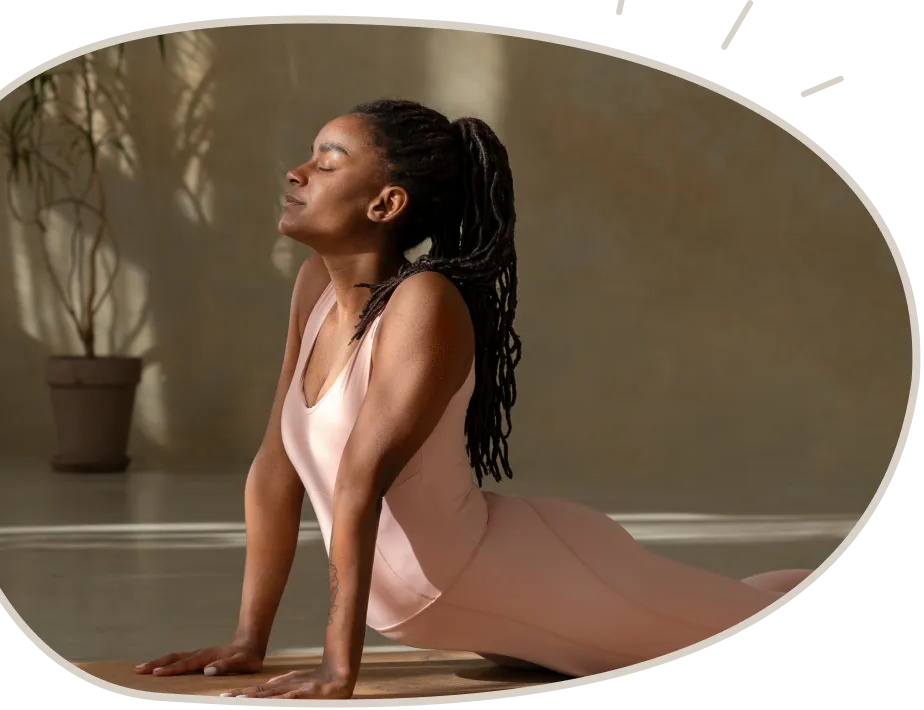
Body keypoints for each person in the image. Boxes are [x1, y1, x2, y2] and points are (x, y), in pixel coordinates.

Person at [134, 99, 813, 699]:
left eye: (327, 161)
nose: (297, 172)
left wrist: (338, 670)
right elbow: (274, 468)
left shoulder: (424, 303)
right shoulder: (314, 288)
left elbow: (358, 484)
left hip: (530, 575)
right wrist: (249, 639)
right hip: (485, 596)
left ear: (386, 204)